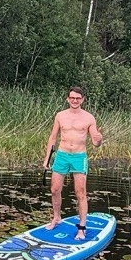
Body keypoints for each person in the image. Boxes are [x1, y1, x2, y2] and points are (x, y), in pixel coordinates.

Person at [42, 86, 103, 238]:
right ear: (68, 99)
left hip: (78, 157)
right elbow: (52, 137)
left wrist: (98, 140)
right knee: (55, 189)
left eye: (78, 98)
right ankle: (56, 217)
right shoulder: (60, 116)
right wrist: (47, 158)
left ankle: (81, 228)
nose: (75, 100)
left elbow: (95, 142)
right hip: (62, 155)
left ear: (82, 99)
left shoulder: (89, 118)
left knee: (80, 192)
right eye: (72, 98)